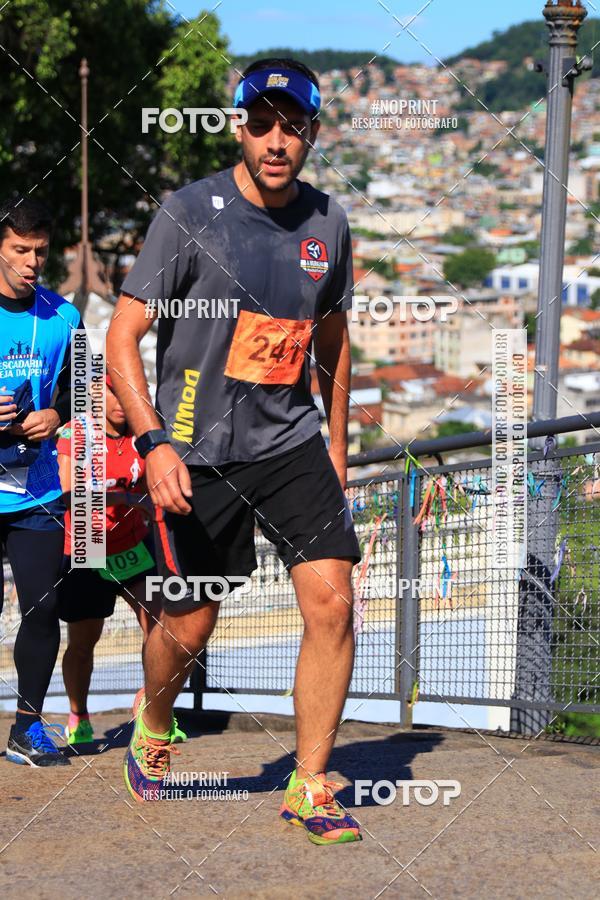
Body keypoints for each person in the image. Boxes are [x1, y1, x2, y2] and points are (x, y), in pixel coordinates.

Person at [107, 57, 363, 845]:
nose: (276, 139)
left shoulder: (329, 224)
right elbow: (122, 338)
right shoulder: (190, 213)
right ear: (237, 124)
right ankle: (153, 725)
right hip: (198, 449)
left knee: (334, 600)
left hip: (290, 446)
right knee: (189, 624)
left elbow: (333, 344)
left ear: (311, 135)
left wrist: (338, 450)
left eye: (293, 126)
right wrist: (153, 442)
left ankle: (310, 783)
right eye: (262, 122)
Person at [0, 197, 82, 766]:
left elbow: (85, 393)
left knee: (41, 610)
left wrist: (57, 416)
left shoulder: (65, 317)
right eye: (19, 250)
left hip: (38, 491)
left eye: (40, 252)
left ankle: (26, 728)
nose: (32, 263)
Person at [55, 374, 164, 745]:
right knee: (84, 642)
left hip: (133, 544)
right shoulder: (75, 434)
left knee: (161, 628)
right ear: (95, 394)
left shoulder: (145, 433)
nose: (120, 401)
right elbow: (69, 498)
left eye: (128, 392)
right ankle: (78, 716)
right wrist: (126, 500)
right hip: (88, 546)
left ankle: (152, 710)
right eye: (112, 392)